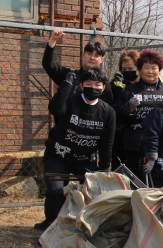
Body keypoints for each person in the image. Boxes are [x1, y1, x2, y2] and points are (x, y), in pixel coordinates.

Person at [36, 68, 115, 230]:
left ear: (103, 88)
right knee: (56, 191)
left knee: (92, 192)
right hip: (59, 155)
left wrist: (104, 169)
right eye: (88, 83)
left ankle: (84, 225)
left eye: (97, 85)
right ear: (81, 85)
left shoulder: (108, 112)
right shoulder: (71, 101)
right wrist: (65, 85)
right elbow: (55, 109)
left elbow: (107, 143)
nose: (93, 87)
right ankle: (52, 225)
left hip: (85, 159)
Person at [114, 49, 163, 178]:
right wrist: (128, 108)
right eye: (146, 67)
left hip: (160, 143)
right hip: (134, 144)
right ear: (140, 70)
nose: (150, 71)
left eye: (154, 68)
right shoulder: (130, 90)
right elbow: (116, 114)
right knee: (134, 179)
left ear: (159, 70)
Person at [42, 28, 113, 104]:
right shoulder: (70, 77)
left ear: (102, 59)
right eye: (89, 54)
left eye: (96, 55)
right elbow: (48, 65)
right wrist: (52, 40)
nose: (92, 58)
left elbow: (108, 109)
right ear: (83, 55)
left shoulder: (103, 83)